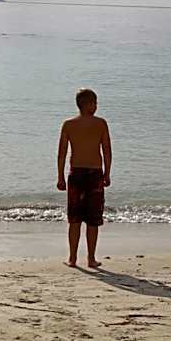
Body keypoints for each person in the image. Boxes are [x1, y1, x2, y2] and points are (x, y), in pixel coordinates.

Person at [56, 88, 111, 268]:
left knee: (75, 219)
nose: (96, 106)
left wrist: (60, 177)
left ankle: (72, 258)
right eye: (95, 103)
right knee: (92, 220)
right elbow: (107, 151)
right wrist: (107, 173)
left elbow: (62, 154)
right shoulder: (101, 124)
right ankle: (91, 258)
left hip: (76, 174)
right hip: (94, 174)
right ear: (89, 105)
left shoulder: (69, 124)